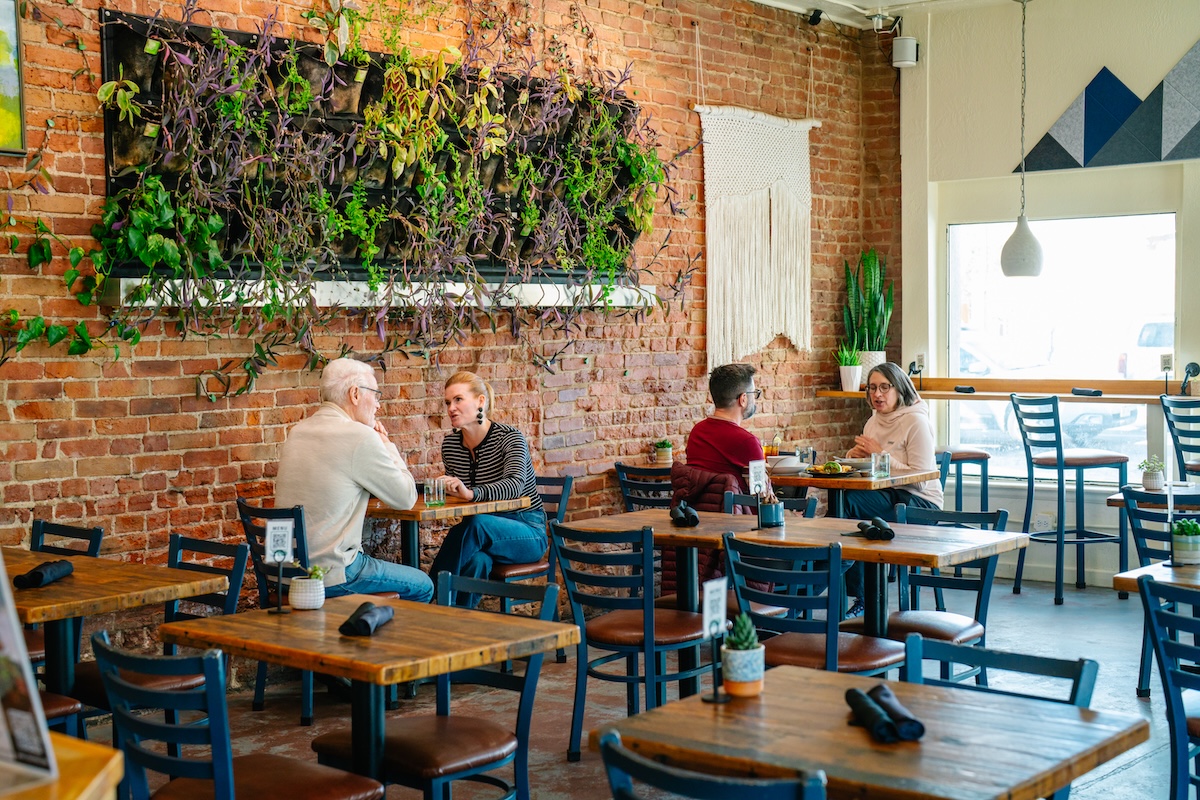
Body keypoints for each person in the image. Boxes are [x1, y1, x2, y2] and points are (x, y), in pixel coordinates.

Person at [275, 358, 434, 602]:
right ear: (355, 394)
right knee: (423, 585)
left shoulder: (297, 432)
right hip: (330, 576)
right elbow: (405, 498)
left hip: (281, 573)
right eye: (376, 394)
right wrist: (387, 444)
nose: (378, 405)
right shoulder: (360, 436)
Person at [430, 371, 547, 605]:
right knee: (478, 561)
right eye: (447, 402)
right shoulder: (451, 445)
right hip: (481, 535)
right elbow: (462, 496)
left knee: (476, 525)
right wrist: (451, 489)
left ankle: (426, 597)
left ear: (480, 401)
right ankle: (457, 626)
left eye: (458, 400)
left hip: (527, 530)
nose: (451, 408)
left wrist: (471, 493)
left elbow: (514, 486)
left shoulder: (510, 438)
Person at [840, 361, 944, 615]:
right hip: (889, 494)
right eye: (872, 388)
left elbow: (920, 478)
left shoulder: (916, 422)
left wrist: (880, 454)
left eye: (885, 387)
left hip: (921, 502)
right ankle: (857, 591)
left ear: (899, 388)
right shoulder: (873, 422)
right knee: (848, 503)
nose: (877, 394)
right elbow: (874, 473)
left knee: (849, 507)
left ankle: (849, 585)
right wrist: (854, 458)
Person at [666, 363, 775, 595]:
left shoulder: (697, 433)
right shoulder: (747, 442)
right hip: (739, 543)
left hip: (699, 536)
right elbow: (761, 498)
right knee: (827, 557)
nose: (755, 399)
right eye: (755, 394)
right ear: (743, 399)